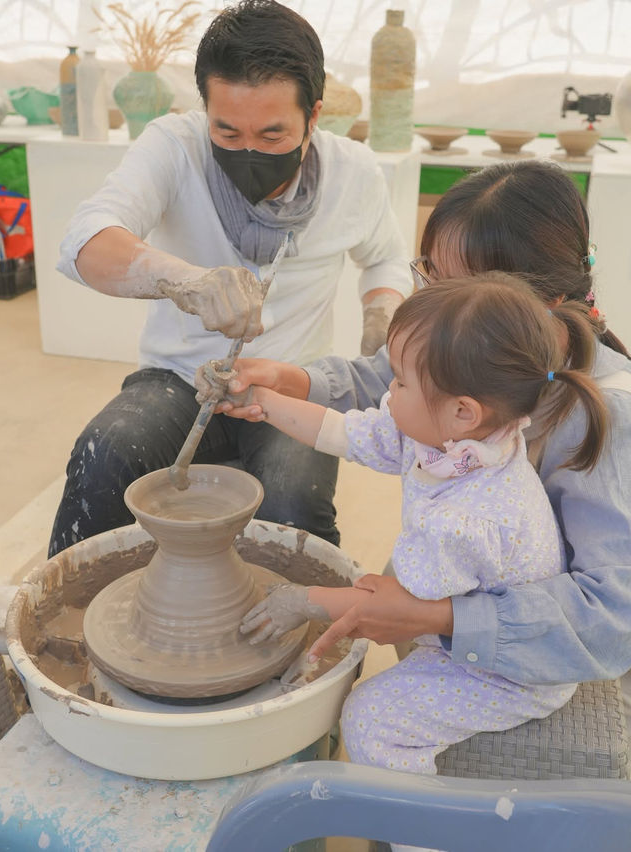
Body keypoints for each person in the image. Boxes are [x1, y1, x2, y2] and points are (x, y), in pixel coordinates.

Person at [199, 159, 631, 722]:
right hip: (468, 572)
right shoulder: (472, 346)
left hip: (536, 646)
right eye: (428, 276)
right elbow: (389, 382)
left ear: (523, 308)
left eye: (445, 288)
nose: (427, 297)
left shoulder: (605, 416)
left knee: (373, 718)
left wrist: (445, 618)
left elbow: (613, 617)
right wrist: (289, 383)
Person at [49, 0, 411, 557]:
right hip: (178, 376)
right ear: (205, 109)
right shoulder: (174, 146)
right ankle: (55, 623)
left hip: (292, 379)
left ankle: (304, 633)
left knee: (294, 501)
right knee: (107, 451)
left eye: (271, 136)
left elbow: (385, 257)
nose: (248, 152)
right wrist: (182, 280)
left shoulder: (354, 172)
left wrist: (381, 312)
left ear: (313, 116)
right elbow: (83, 240)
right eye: (228, 131)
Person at [236, 273, 608, 772]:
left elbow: (403, 605)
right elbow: (346, 432)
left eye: (401, 381)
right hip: (468, 612)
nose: (389, 392)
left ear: (462, 411)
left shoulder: (467, 516)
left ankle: (423, 834)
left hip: (513, 669)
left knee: (369, 719)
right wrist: (262, 402)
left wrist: (301, 601)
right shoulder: (458, 441)